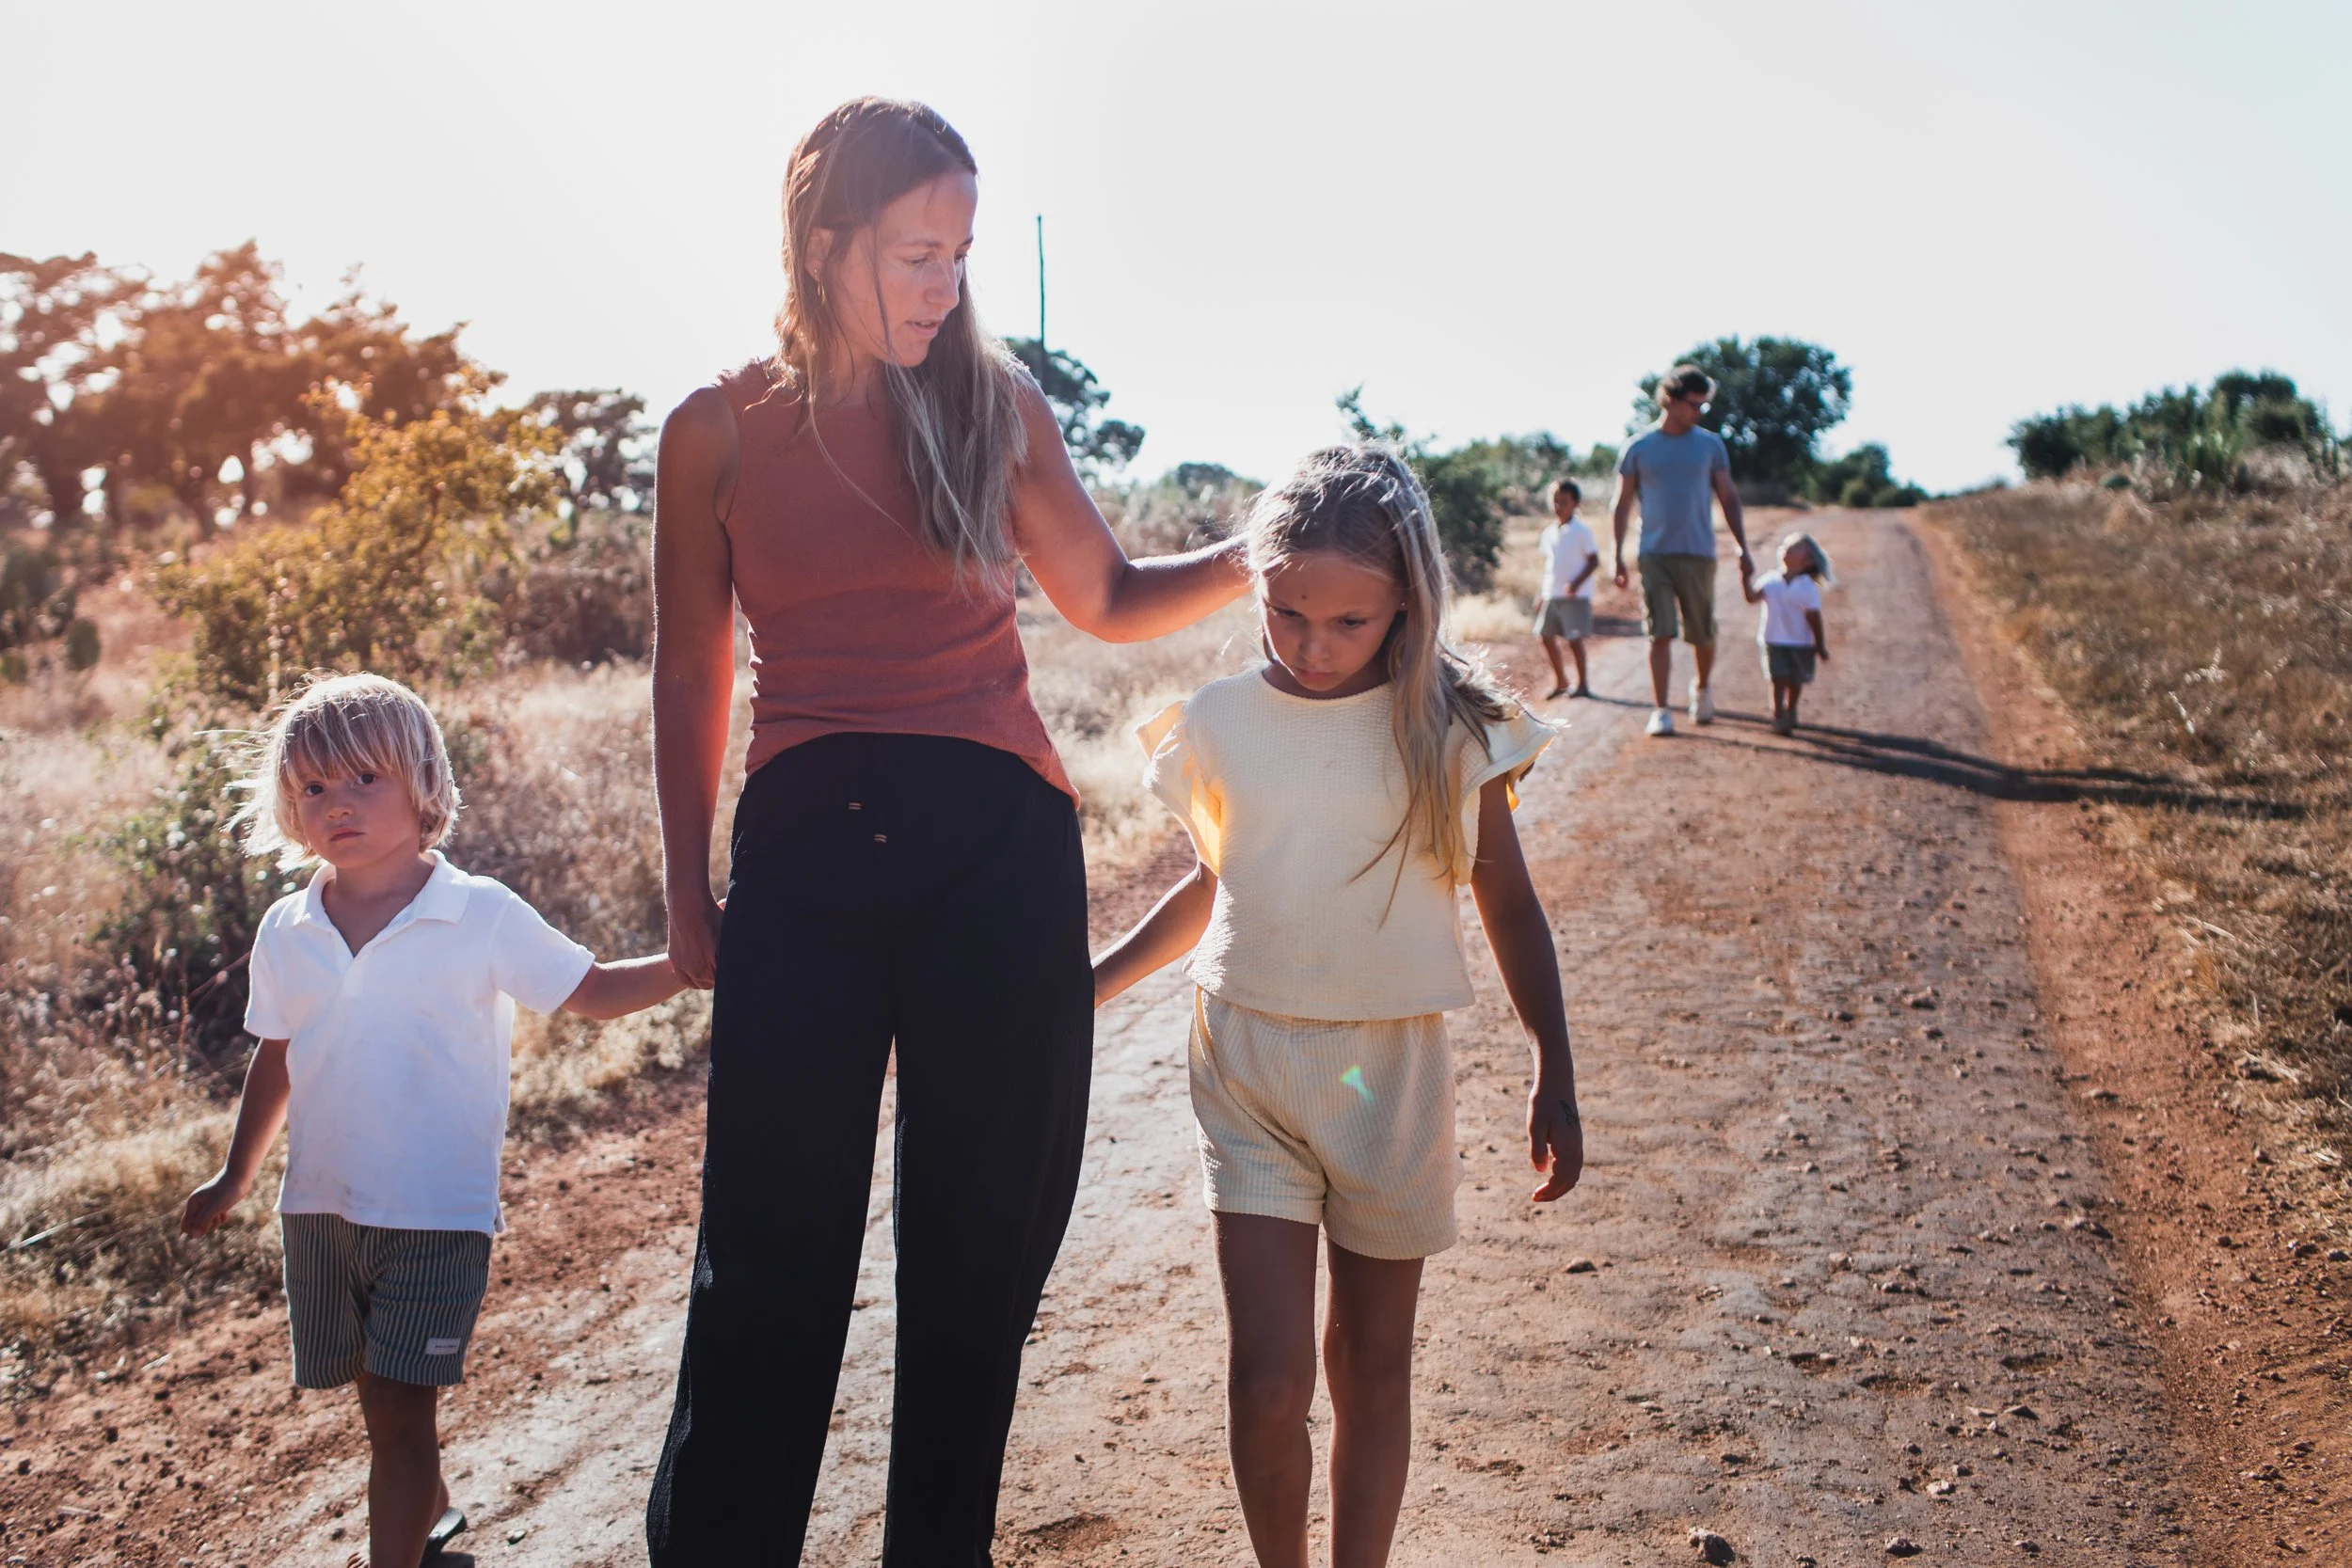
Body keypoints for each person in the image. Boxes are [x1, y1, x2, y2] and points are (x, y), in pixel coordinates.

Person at [644, 97, 1248, 1562]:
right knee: (771, 1242)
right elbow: (690, 661)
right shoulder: (714, 428)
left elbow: (1100, 596)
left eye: (960, 254)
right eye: (917, 251)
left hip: (996, 841)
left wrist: (1255, 553)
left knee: (980, 1239)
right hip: (804, 846)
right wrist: (684, 877)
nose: (943, 285)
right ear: (822, 239)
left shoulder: (997, 402)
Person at [1092, 445, 1586, 1568]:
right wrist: (1086, 986)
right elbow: (1217, 881)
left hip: (1390, 1075)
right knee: (1267, 1381)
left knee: (1373, 1364)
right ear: (1256, 588)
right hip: (1247, 1061)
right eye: (1285, 614)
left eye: (1348, 622)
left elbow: (1509, 900)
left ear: (1406, 600)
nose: (1311, 646)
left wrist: (1551, 1063)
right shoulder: (1220, 719)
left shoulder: (1453, 730)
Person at [179, 673, 685, 1568]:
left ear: (423, 784)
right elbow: (277, 1054)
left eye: (363, 778)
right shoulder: (288, 929)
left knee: (404, 1413)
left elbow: (593, 991)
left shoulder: (479, 912)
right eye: (313, 787)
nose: (337, 803)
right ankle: (432, 1513)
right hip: (324, 1210)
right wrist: (236, 1174)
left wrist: (688, 963)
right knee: (381, 1400)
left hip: (435, 1216)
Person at [1611, 363, 1753, 736]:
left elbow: (1728, 497)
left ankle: (1702, 689)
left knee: (1702, 634)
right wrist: (1617, 556)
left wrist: (1743, 548)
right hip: (1654, 553)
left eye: (1704, 406)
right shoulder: (1639, 447)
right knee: (1658, 632)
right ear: (1670, 400)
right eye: (1694, 404)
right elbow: (1622, 504)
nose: (1700, 412)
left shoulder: (1710, 445)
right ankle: (1661, 710)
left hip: (1699, 552)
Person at [1740, 531, 1835, 734]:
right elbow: (1751, 598)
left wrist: (1819, 645)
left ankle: (1791, 709)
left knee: (1795, 680)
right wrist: (1745, 576)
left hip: (1801, 642)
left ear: (1808, 560)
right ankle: (1778, 714)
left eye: (1793, 548)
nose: (1785, 549)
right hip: (1772, 639)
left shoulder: (1807, 587)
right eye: (1785, 546)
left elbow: (1814, 618)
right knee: (1777, 678)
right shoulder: (1770, 579)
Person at [1532, 477, 1598, 699]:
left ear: (1575, 503)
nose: (1559, 506)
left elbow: (1593, 561)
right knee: (1545, 636)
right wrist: (1540, 594)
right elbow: (1548, 566)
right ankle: (1561, 680)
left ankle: (1583, 684)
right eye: (1556, 501)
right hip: (1552, 593)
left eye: (1564, 501)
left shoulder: (1581, 531)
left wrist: (1577, 583)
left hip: (1574, 596)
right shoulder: (1549, 533)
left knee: (1574, 639)